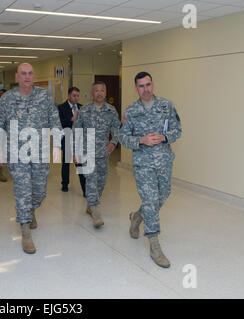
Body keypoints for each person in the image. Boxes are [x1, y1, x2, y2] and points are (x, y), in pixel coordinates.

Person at [0, 63, 62, 254]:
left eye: (30, 73)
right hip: (17, 154)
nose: (27, 76)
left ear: (34, 76)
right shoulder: (7, 99)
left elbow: (55, 120)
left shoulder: (44, 96)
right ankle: (25, 231)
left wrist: (56, 144)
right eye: (23, 73)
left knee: (39, 192)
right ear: (17, 77)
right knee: (23, 191)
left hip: (40, 152)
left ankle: (32, 210)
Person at [118, 72, 182, 268]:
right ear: (136, 88)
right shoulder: (131, 111)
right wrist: (141, 140)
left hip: (163, 160)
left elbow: (177, 129)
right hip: (143, 163)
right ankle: (154, 245)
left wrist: (163, 137)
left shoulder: (166, 105)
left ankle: (137, 216)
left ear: (153, 84)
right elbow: (123, 137)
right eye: (141, 86)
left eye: (148, 85)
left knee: (163, 194)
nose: (145, 89)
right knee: (151, 201)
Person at [72, 82, 120, 228]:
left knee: (101, 182)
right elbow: (76, 131)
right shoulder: (84, 110)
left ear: (105, 93)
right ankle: (95, 210)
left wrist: (113, 142)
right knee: (91, 181)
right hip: (87, 152)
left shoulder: (111, 111)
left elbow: (117, 128)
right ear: (92, 93)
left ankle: (91, 204)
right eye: (96, 91)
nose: (99, 93)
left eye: (102, 90)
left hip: (103, 153)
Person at [57, 87, 86, 195]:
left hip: (78, 140)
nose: (76, 98)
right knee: (66, 163)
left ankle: (84, 188)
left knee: (80, 164)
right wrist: (72, 119)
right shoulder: (61, 107)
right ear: (69, 96)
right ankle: (65, 184)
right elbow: (59, 123)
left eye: (78, 95)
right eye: (74, 95)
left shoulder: (82, 108)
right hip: (67, 138)